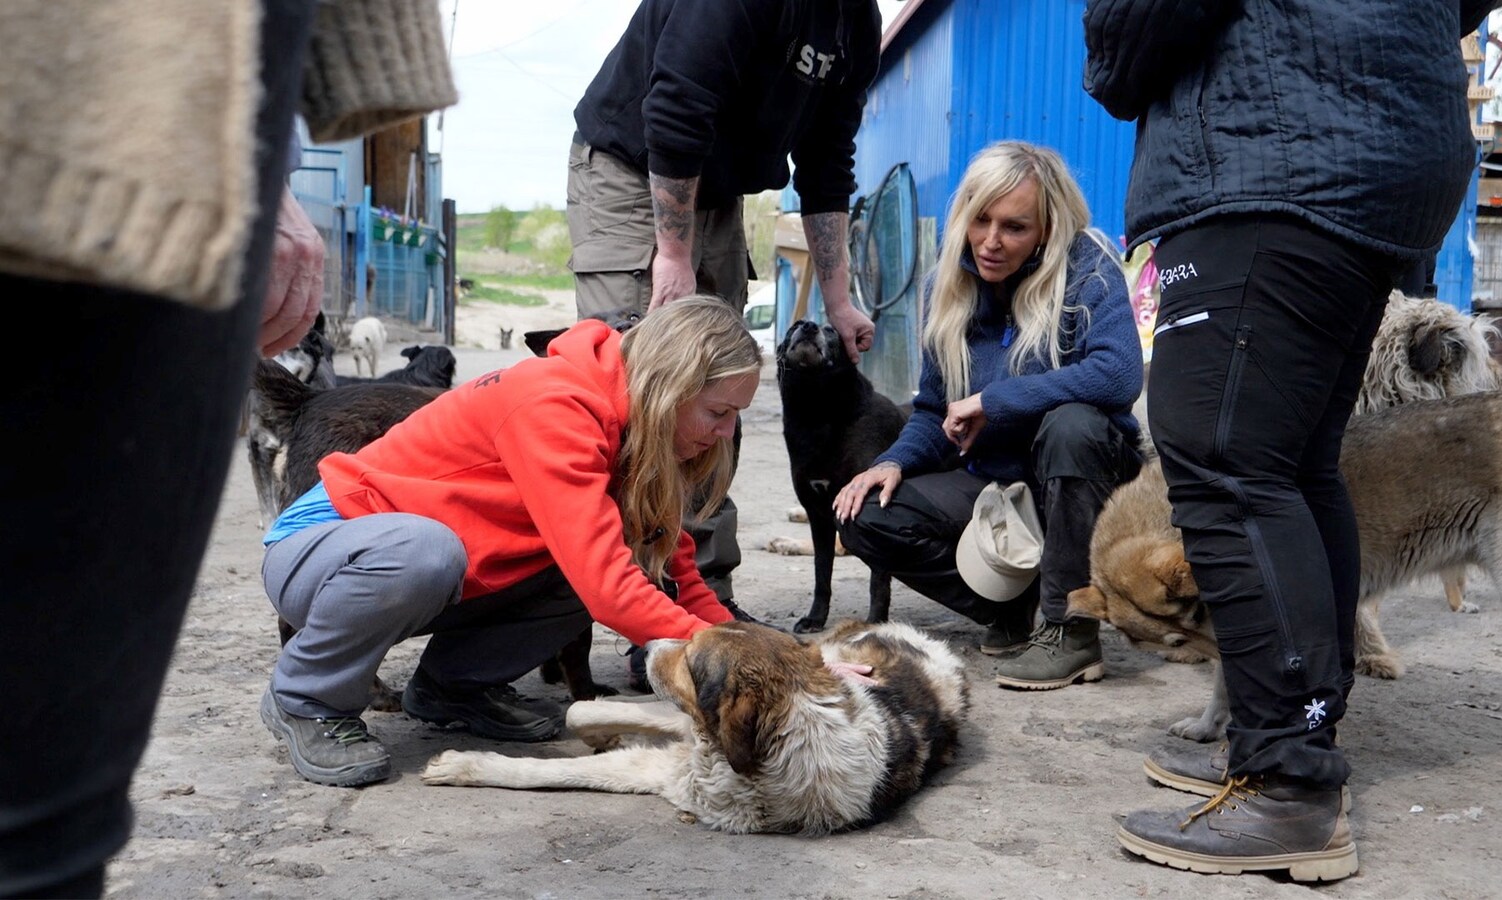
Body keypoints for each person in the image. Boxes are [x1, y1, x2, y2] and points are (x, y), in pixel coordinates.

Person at [0, 1, 457, 896]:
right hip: (110, 143)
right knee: (35, 815)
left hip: (168, 149)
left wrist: (271, 173)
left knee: (50, 810)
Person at [1083, 0, 1502, 881]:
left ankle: (1288, 782)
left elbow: (1132, 32)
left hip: (1271, 153)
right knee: (1296, 466)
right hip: (1373, 147)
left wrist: (1113, 55)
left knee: (1227, 466)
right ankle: (1290, 736)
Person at [257, 298, 766, 787]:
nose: (725, 433)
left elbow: (677, 577)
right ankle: (306, 698)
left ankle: (451, 689)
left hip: (424, 571)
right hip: (319, 548)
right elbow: (608, 589)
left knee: (573, 569)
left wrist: (767, 657)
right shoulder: (556, 404)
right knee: (428, 552)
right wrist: (733, 660)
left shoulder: (645, 431)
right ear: (670, 388)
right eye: (718, 412)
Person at [567, 0, 884, 615]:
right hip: (634, 167)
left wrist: (839, 298)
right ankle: (639, 605)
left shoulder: (856, 21)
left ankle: (702, 597)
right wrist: (673, 254)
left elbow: (827, 158)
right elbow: (675, 110)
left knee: (717, 396)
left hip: (719, 187)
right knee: (644, 392)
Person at [834, 140, 1145, 688]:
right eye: (980, 220)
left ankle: (1069, 629)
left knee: (1072, 424)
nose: (991, 242)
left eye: (1014, 227)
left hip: (1086, 481)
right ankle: (1012, 605)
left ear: (1046, 230)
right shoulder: (947, 287)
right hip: (996, 483)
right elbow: (935, 412)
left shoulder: (1088, 269)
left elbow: (1119, 375)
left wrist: (996, 400)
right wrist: (893, 461)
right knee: (866, 514)